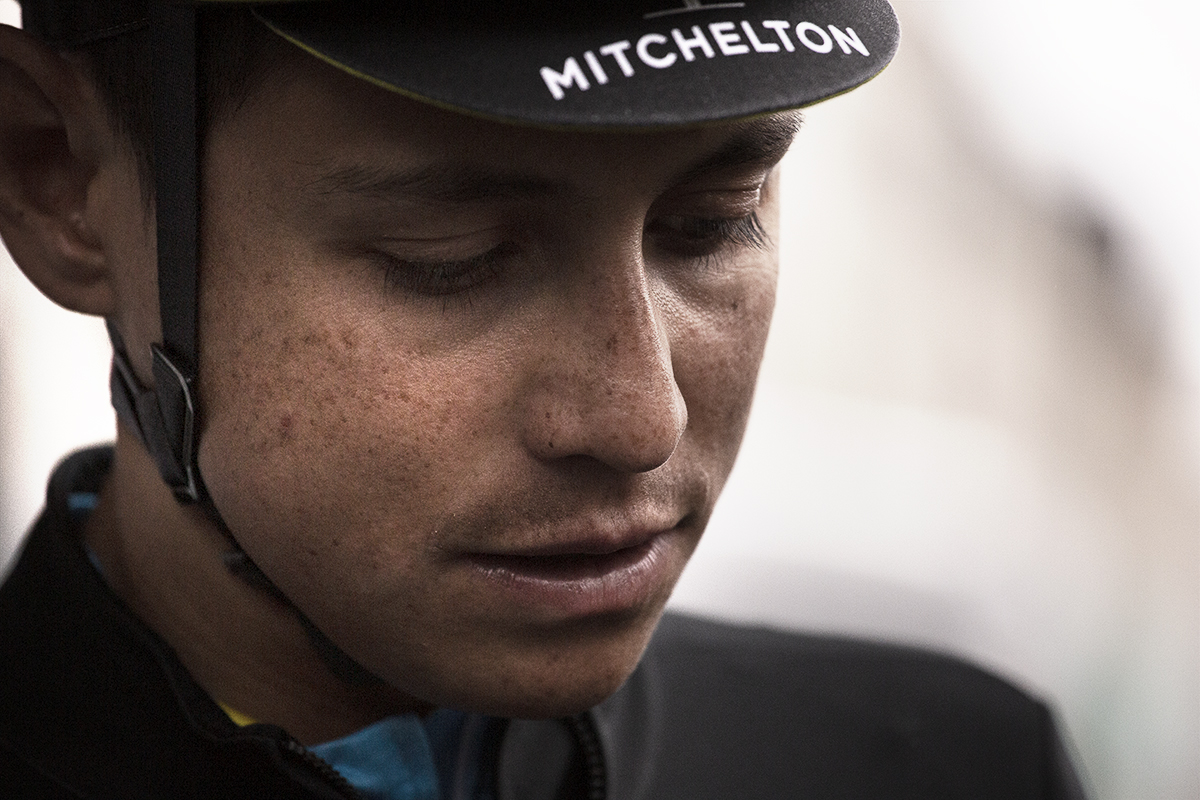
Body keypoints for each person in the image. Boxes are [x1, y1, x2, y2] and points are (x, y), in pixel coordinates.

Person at [0, 2, 1088, 797]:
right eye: (453, 256)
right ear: (61, 181)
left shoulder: (953, 762)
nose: (639, 417)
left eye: (711, 223)